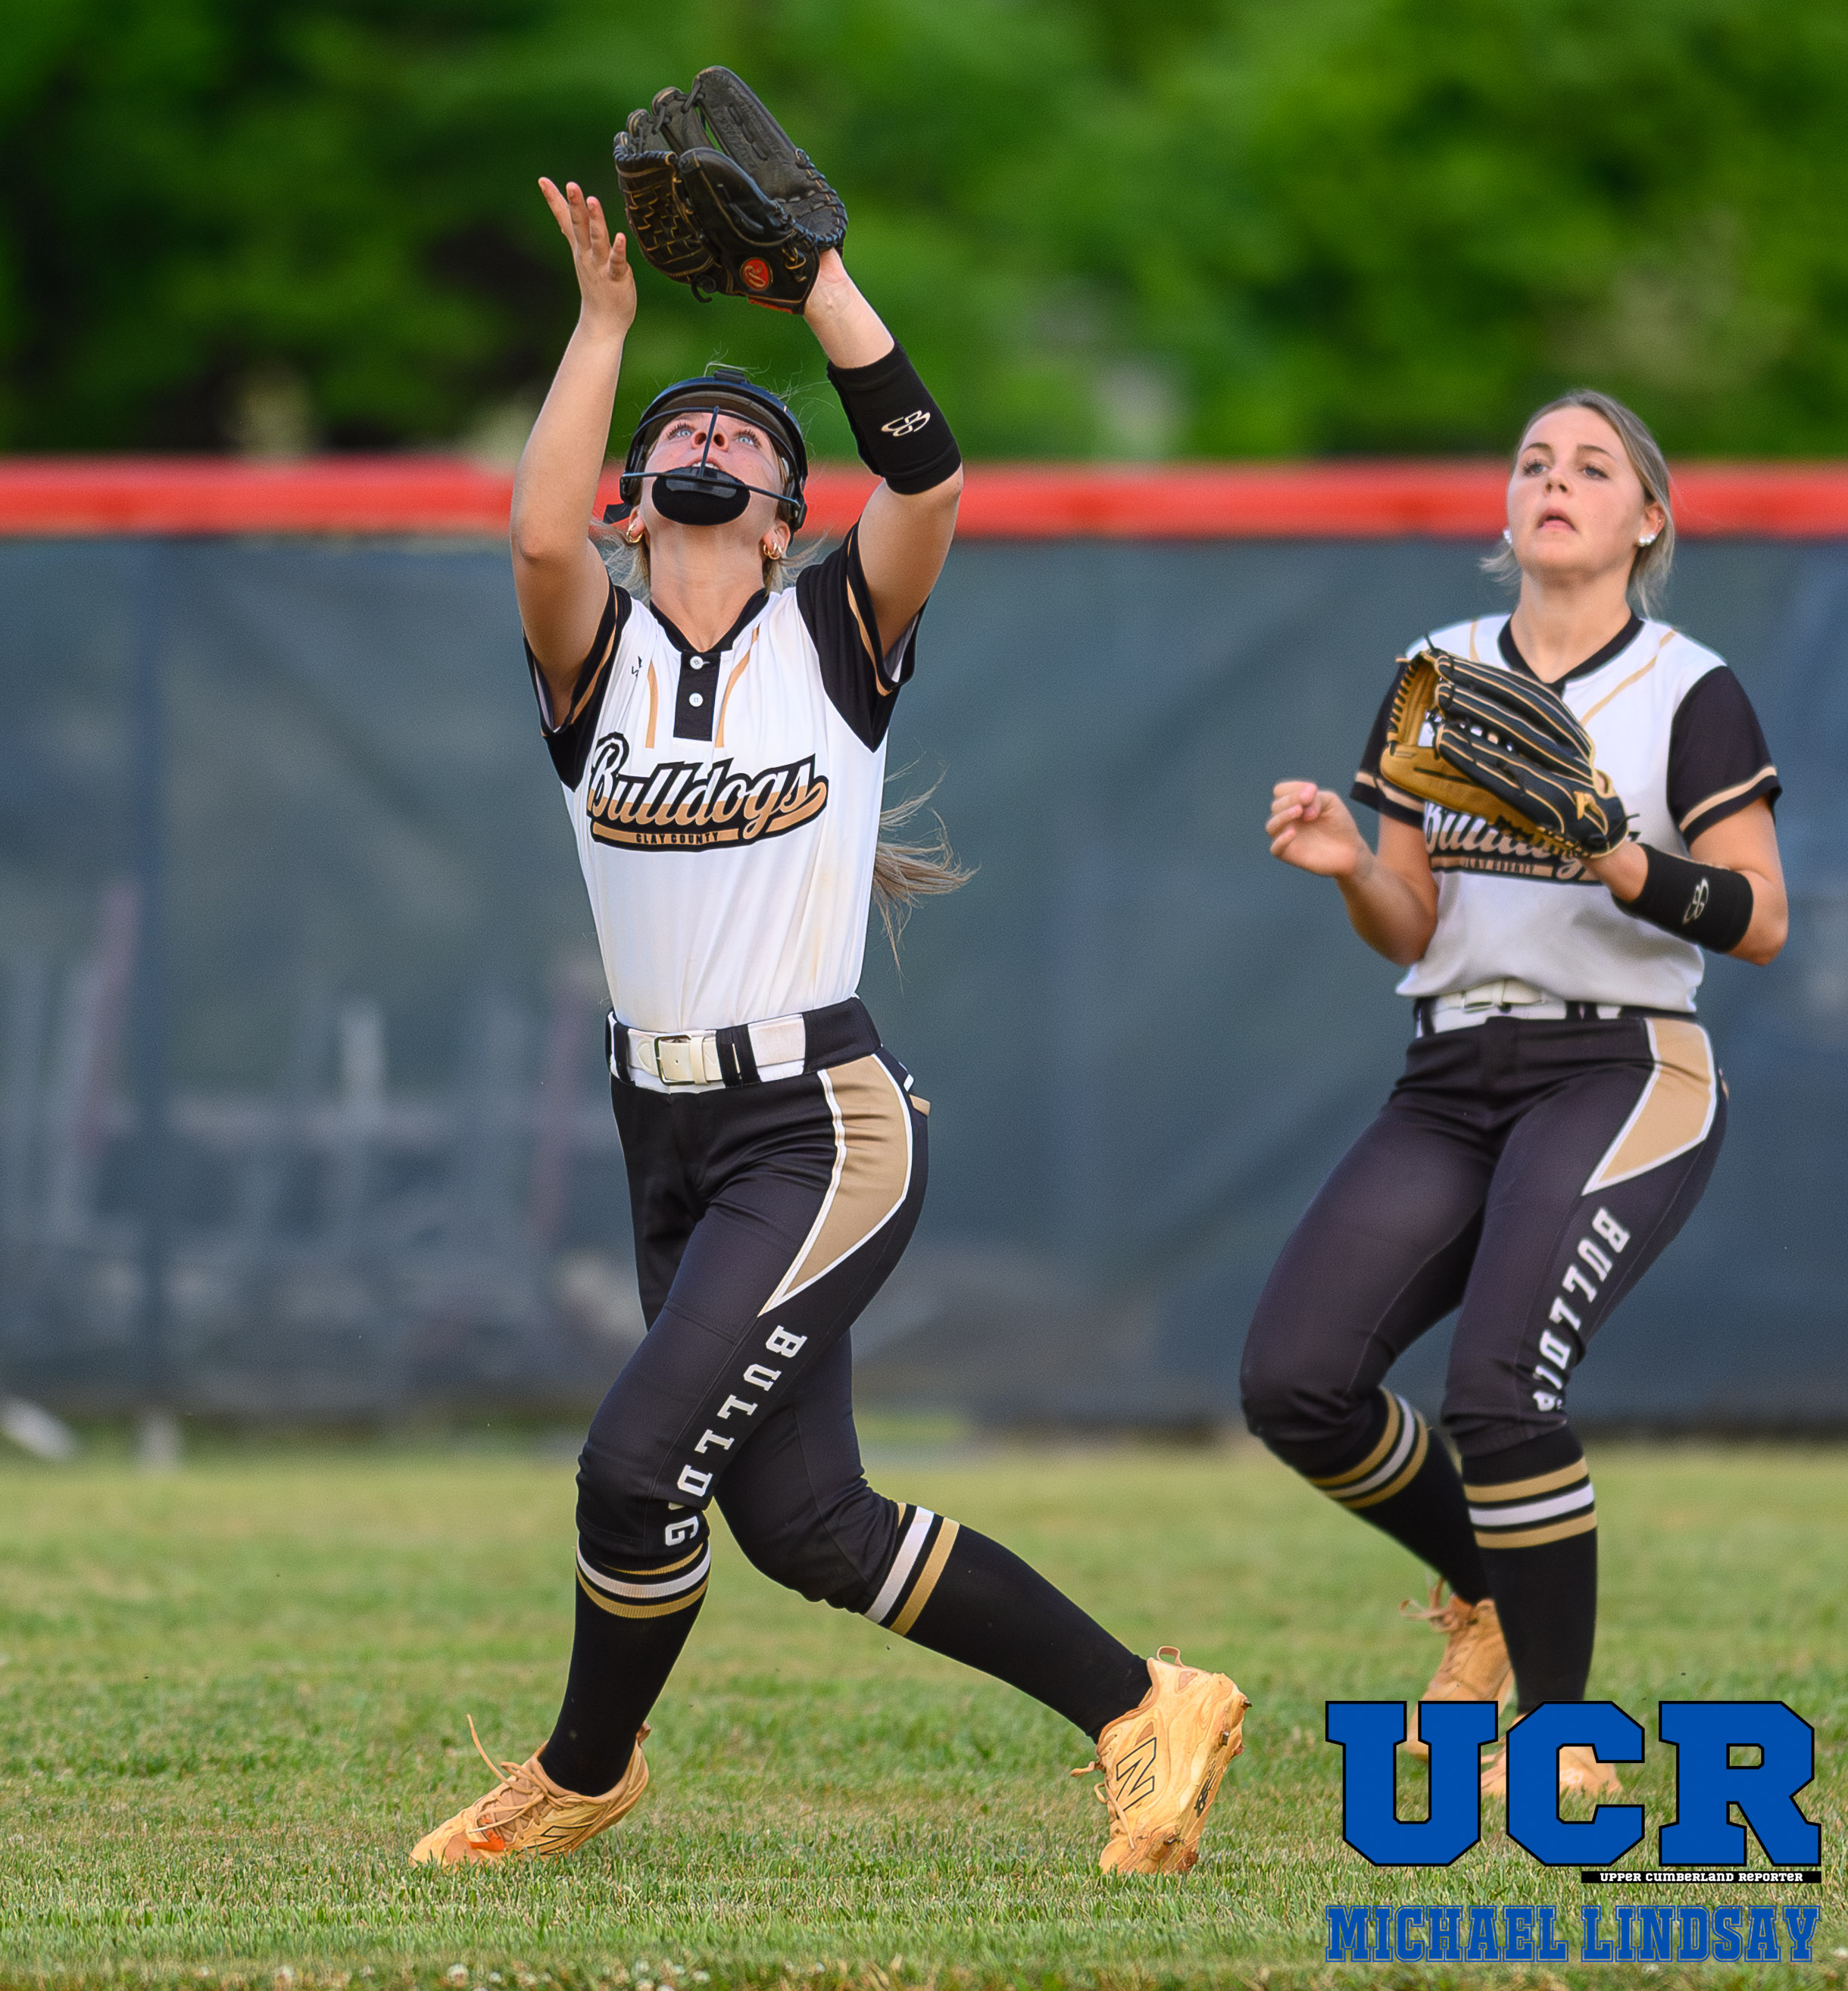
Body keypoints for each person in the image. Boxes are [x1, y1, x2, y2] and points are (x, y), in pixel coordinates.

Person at [410, 176, 1248, 1874]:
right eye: (681, 430)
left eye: (748, 433)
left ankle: (581, 1771)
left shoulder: (830, 637)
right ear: (638, 497)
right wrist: (600, 327)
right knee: (805, 1523)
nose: (713, 436)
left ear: (788, 513)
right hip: (665, 1134)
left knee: (632, 1466)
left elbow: (928, 478)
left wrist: (821, 288)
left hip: (819, 1123)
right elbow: (536, 542)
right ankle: (1144, 1702)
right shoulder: (595, 660)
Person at [1240, 392, 1786, 1799]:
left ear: (1645, 520)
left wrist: (1616, 855)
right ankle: (1490, 1589)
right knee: (1296, 1383)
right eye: (1533, 461)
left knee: (1496, 1391)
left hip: (1623, 1066)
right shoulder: (1436, 669)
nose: (1554, 480)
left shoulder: (1684, 685)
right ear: (1505, 506)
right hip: (1449, 1070)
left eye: (1592, 467)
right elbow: (1412, 919)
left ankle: (1561, 1741)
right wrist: (1350, 866)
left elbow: (1762, 919)